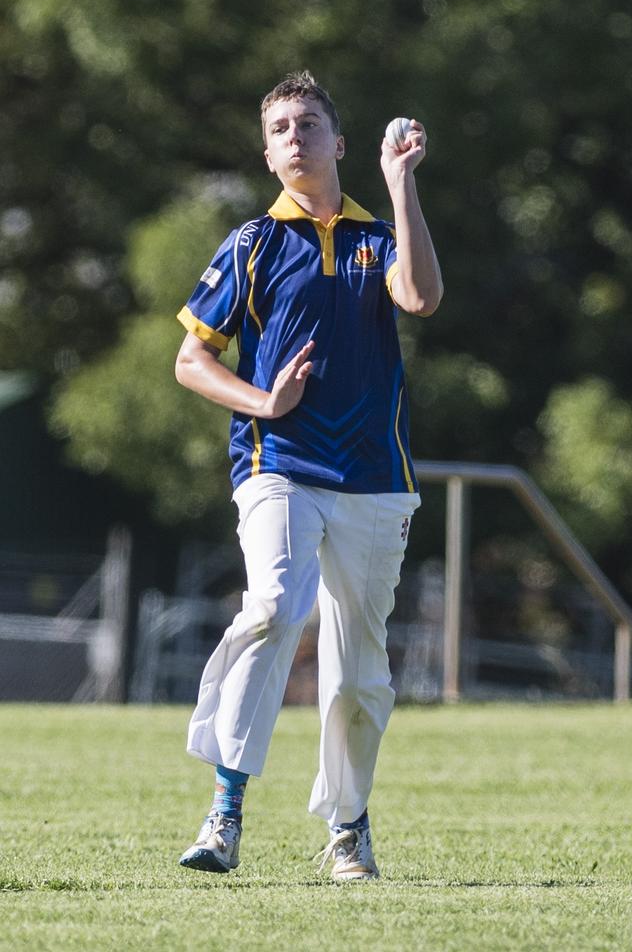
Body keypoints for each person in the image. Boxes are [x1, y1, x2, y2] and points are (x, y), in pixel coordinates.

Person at [174, 71, 443, 881]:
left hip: (373, 477)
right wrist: (265, 399)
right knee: (276, 603)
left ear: (338, 143)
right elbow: (191, 360)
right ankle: (224, 811)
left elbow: (421, 297)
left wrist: (402, 188)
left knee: (360, 667)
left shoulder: (378, 236)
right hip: (277, 464)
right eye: (281, 128)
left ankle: (348, 829)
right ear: (267, 153)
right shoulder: (251, 243)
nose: (295, 136)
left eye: (309, 123)